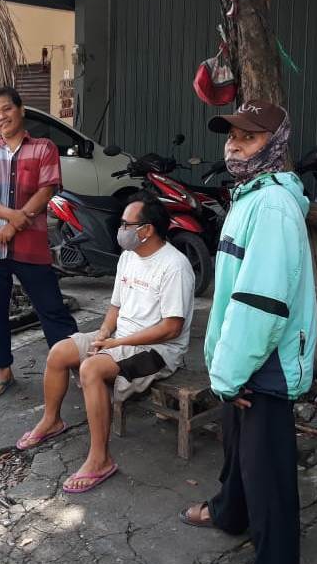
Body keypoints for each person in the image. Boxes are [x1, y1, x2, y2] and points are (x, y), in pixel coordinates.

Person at [178, 99, 317, 564]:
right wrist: (225, 364)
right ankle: (228, 512)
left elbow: (261, 303)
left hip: (265, 365)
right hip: (243, 360)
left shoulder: (274, 207)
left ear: (276, 145)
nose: (235, 143)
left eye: (250, 136)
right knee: (237, 450)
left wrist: (229, 373)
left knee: (269, 480)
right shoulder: (251, 194)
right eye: (232, 134)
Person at [16, 192, 195, 493]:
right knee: (60, 351)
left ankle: (100, 459)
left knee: (91, 370)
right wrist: (102, 334)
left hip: (157, 351)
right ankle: (51, 421)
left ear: (147, 229)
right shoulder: (129, 257)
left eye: (126, 224)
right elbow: (115, 306)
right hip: (120, 339)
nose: (120, 229)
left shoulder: (174, 266)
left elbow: (170, 329)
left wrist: (117, 343)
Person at [0, 86, 78, 397]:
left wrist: (13, 227)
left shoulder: (43, 148)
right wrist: (13, 217)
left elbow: (46, 192)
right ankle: (3, 371)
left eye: (6, 110)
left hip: (31, 245)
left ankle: (76, 362)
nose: (1, 117)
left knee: (51, 306)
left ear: (21, 109)